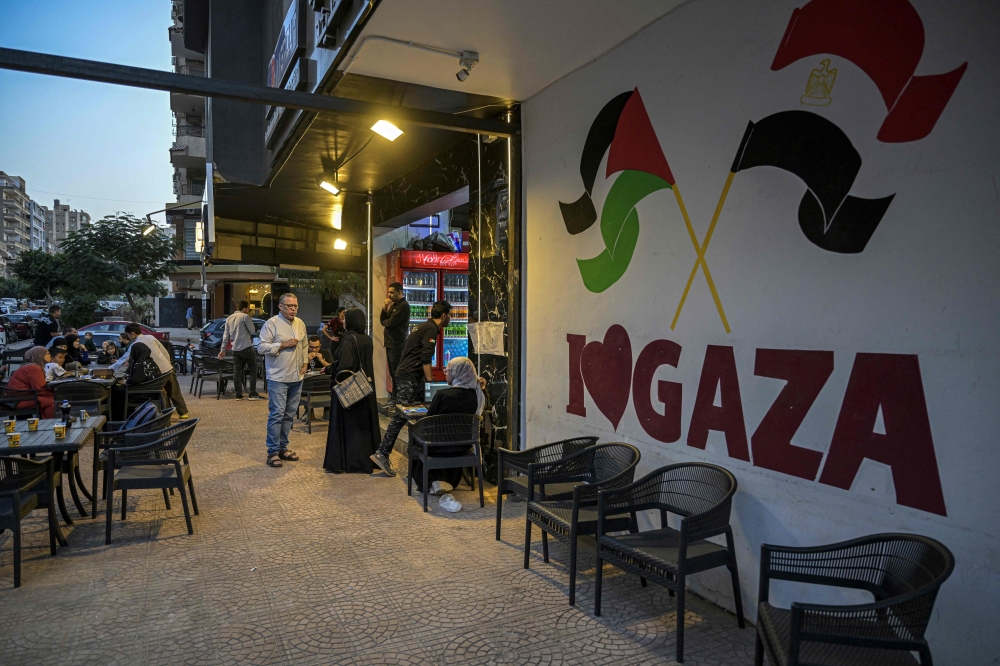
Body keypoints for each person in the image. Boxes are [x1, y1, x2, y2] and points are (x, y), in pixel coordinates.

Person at [371, 299, 451, 476]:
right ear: (444, 315)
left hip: (410, 376)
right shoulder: (431, 328)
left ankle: (415, 456)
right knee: (402, 415)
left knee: (419, 414)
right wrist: (430, 382)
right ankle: (382, 453)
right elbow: (425, 357)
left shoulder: (424, 326)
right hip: (409, 377)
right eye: (450, 315)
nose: (450, 319)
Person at [409, 357, 486, 494]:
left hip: (438, 447)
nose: (445, 373)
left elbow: (428, 421)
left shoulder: (441, 395)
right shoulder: (477, 395)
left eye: (448, 370)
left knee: (415, 438)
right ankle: (446, 480)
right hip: (462, 446)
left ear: (458, 373)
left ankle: (433, 480)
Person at [322, 308, 380, 474]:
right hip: (365, 390)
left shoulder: (348, 339)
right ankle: (365, 461)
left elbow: (345, 366)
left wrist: (329, 370)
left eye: (346, 319)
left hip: (350, 391)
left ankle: (350, 462)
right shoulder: (367, 339)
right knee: (364, 428)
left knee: (350, 428)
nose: (343, 322)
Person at [256, 292, 308, 468]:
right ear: (280, 306)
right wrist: (283, 345)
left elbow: (305, 344)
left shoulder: (300, 323)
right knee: (277, 414)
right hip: (278, 376)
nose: (293, 309)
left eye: (295, 306)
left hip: (297, 376)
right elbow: (261, 347)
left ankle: (283, 448)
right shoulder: (271, 324)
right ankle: (272, 452)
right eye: (289, 306)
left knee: (289, 414)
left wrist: (306, 362)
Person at [110, 323, 189, 418]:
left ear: (133, 334)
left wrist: (110, 368)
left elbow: (123, 359)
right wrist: (167, 363)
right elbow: (164, 351)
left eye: (128, 334)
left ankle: (167, 412)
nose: (128, 337)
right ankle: (183, 413)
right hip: (167, 368)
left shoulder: (136, 344)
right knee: (174, 391)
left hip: (156, 373)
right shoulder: (151, 337)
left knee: (162, 389)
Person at [218, 300, 261, 401]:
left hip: (235, 349)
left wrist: (222, 349)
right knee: (252, 369)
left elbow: (225, 336)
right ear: (245, 308)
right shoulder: (245, 317)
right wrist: (250, 320)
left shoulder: (229, 318)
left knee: (237, 371)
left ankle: (238, 394)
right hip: (246, 347)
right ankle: (252, 393)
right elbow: (252, 331)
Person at [379, 283, 409, 407]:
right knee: (392, 371)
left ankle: (398, 397)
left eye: (392, 292)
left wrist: (387, 322)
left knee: (397, 371)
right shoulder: (393, 305)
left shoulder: (403, 306)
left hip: (397, 343)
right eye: (389, 292)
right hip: (390, 343)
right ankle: (395, 396)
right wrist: (384, 307)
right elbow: (383, 321)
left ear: (399, 292)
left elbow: (390, 323)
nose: (389, 295)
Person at [6, 346, 56, 418]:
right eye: (47, 354)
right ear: (40, 355)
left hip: (18, 398)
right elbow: (40, 389)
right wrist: (53, 393)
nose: (50, 355)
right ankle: (50, 423)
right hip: (17, 401)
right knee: (52, 401)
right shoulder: (34, 368)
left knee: (51, 398)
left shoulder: (32, 366)